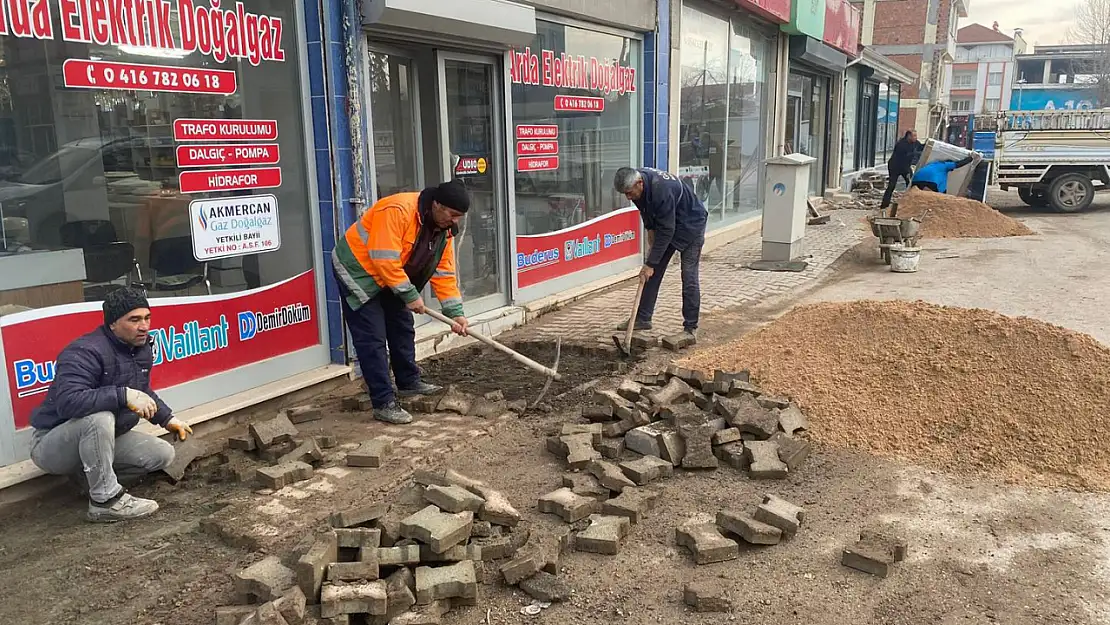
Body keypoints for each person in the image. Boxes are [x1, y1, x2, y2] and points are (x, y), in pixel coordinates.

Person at [29, 287, 193, 523]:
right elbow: (68, 403)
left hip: (102, 437)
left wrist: (168, 419)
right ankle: (104, 501)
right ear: (113, 324)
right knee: (100, 417)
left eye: (147, 318)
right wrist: (122, 395)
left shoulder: (140, 347)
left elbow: (141, 392)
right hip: (52, 445)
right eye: (134, 320)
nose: (144, 326)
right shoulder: (84, 351)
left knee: (162, 454)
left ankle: (87, 480)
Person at [332, 180, 471, 425]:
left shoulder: (444, 230)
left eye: (459, 217)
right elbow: (383, 258)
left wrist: (454, 313)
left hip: (392, 275)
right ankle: (383, 401)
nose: (455, 221)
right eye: (452, 214)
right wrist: (409, 295)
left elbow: (443, 273)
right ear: (437, 204)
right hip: (359, 271)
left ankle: (408, 381)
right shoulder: (397, 211)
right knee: (373, 337)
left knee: (402, 326)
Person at [613, 167, 708, 338]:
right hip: (669, 224)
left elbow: (666, 231)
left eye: (629, 193)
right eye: (624, 194)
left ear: (639, 183)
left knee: (689, 275)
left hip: (691, 224)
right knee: (651, 273)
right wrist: (650, 231)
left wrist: (650, 263)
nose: (628, 197)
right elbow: (646, 211)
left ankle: (690, 328)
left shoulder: (661, 190)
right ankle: (643, 318)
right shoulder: (638, 187)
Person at [881, 130, 924, 209]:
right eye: (914, 136)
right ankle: (884, 205)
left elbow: (921, 147)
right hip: (895, 166)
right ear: (909, 136)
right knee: (892, 185)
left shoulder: (915, 142)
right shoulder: (901, 144)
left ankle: (911, 203)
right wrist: (916, 153)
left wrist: (928, 144)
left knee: (911, 184)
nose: (915, 137)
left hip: (906, 167)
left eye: (916, 136)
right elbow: (905, 155)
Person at [911, 154, 977, 194]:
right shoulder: (945, 165)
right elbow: (958, 164)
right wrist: (971, 158)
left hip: (915, 181)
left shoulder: (933, 164)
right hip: (930, 182)